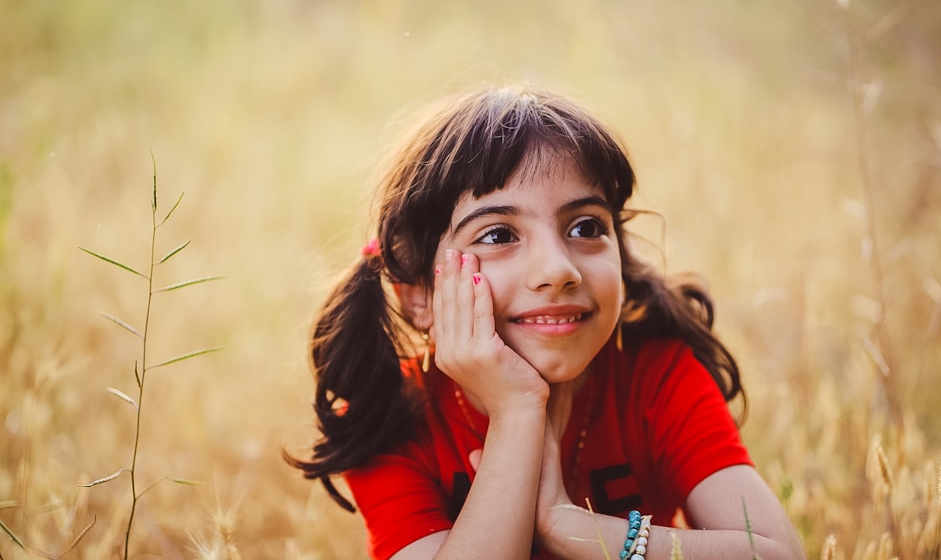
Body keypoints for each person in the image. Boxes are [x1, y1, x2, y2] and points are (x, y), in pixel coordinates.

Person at [286, 85, 805, 559]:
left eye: (585, 226)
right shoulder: (391, 417)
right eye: (497, 235)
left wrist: (569, 525)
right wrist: (515, 411)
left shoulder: (657, 378)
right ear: (419, 296)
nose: (559, 270)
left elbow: (779, 556)